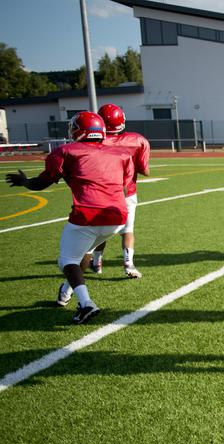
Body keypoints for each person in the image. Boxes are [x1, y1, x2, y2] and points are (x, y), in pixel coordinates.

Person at [5, 112, 132, 324]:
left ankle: (86, 304)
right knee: (82, 253)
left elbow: (42, 183)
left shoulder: (65, 152)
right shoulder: (121, 153)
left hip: (87, 213)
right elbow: (124, 185)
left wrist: (25, 182)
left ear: (78, 130)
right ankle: (66, 291)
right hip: (117, 217)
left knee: (67, 260)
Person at [85, 103, 150, 278]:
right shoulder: (137, 140)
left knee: (100, 231)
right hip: (126, 192)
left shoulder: (93, 140)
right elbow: (145, 170)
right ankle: (129, 265)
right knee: (127, 230)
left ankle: (97, 262)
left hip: (100, 194)